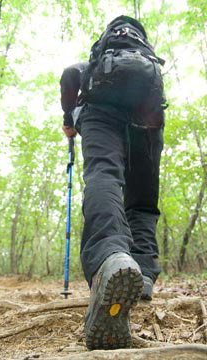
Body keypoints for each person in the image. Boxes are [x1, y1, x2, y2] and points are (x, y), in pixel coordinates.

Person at [60, 15, 167, 350]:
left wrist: (68, 119)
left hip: (99, 112)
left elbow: (69, 75)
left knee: (104, 175)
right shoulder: (146, 61)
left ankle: (111, 257)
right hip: (147, 116)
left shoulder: (95, 63)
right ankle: (144, 274)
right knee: (143, 199)